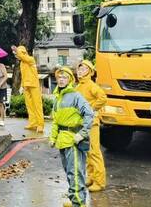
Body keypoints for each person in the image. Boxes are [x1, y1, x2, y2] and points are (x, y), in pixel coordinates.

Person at [50, 66, 94, 207]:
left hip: (74, 142)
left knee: (76, 174)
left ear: (70, 79)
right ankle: (74, 199)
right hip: (63, 142)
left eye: (64, 77)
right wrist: (53, 137)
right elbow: (56, 121)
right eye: (59, 77)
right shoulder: (57, 98)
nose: (61, 80)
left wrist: (82, 134)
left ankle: (79, 203)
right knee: (70, 173)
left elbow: (89, 114)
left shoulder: (75, 96)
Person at [75, 59, 107, 192]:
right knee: (87, 151)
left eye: (83, 69)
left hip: (92, 124)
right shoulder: (78, 86)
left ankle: (100, 182)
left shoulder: (91, 85)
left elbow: (103, 98)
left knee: (94, 152)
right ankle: (91, 177)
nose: (79, 71)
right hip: (82, 124)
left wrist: (91, 109)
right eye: (79, 69)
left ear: (89, 71)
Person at [11, 44, 44, 133]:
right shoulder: (22, 63)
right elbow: (24, 75)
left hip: (34, 85)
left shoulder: (30, 59)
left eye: (18, 54)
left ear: (22, 52)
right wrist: (22, 86)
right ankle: (33, 123)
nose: (17, 56)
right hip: (26, 85)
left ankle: (40, 124)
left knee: (37, 105)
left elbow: (23, 57)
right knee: (29, 106)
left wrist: (16, 50)